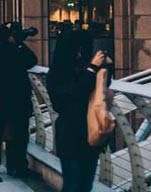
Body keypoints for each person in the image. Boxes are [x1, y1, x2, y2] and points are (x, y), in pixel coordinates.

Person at [46, 29, 111, 192]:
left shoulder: (85, 69)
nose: (80, 54)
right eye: (77, 50)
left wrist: (105, 68)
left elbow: (100, 91)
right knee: (72, 185)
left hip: (89, 135)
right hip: (70, 136)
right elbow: (73, 95)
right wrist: (91, 69)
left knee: (85, 185)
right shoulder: (57, 73)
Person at [0, 22, 39, 183]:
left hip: (16, 97)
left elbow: (32, 60)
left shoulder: (18, 49)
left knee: (19, 133)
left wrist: (18, 43)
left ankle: (17, 166)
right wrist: (4, 32)